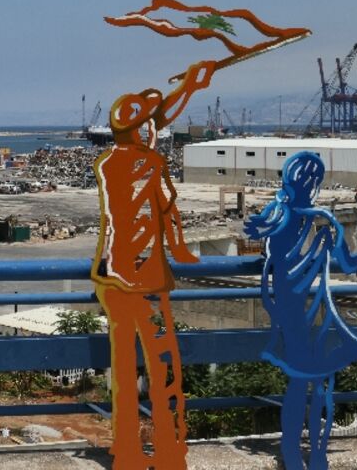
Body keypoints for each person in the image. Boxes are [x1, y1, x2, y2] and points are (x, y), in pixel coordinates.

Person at [92, 59, 215, 470]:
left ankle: (127, 448)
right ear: (137, 129)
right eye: (146, 124)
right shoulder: (150, 163)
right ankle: (168, 448)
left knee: (124, 371)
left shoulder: (107, 164)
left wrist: (189, 88)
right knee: (162, 370)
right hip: (145, 279)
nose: (153, 128)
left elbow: (159, 117)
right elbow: (169, 213)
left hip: (110, 278)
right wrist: (181, 252)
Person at [244, 152, 357, 470]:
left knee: (312, 382)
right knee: (311, 381)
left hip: (301, 305)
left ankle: (308, 451)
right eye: (309, 181)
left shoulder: (295, 213)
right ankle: (303, 451)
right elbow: (348, 262)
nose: (309, 186)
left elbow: (261, 232)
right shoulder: (291, 212)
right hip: (298, 307)